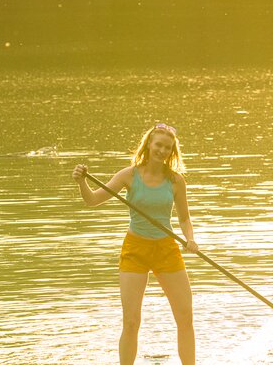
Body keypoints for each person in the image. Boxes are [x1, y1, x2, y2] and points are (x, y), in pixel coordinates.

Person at [72, 122, 198, 365]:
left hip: (167, 249)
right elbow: (92, 201)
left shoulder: (176, 181)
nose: (162, 150)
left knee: (185, 318)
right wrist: (81, 182)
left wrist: (190, 239)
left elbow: (184, 218)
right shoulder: (129, 175)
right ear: (149, 144)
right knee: (131, 321)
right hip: (135, 250)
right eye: (158, 145)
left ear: (172, 152)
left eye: (167, 148)